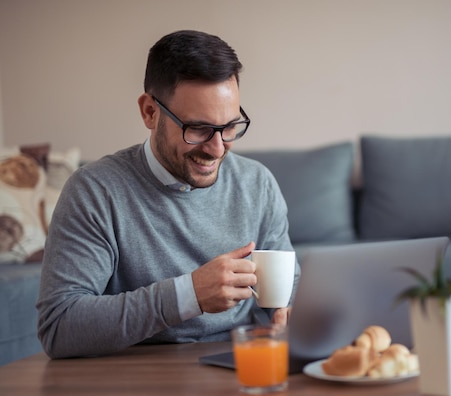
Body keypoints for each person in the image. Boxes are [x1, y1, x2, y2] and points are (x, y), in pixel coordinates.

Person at [36, 30, 298, 359]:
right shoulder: (95, 191)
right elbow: (59, 327)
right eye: (198, 128)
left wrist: (286, 308)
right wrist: (188, 295)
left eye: (230, 126)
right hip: (137, 378)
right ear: (150, 112)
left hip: (241, 365)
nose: (217, 148)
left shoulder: (257, 183)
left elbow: (284, 288)